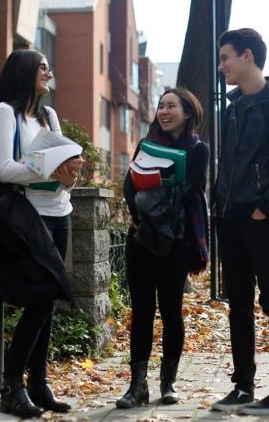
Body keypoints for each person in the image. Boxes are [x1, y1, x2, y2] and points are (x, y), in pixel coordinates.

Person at [211, 28, 269, 415]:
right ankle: (243, 387)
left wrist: (264, 208)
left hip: (262, 222)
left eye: (225, 57)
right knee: (239, 307)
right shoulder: (233, 108)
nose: (222, 66)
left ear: (247, 56)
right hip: (231, 221)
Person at [0, 50, 83, 417]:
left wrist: (71, 172)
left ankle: (39, 384)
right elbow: (5, 169)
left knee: (50, 301)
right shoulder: (5, 113)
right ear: (25, 70)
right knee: (40, 299)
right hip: (31, 218)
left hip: (61, 213)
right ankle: (12, 385)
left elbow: (63, 158)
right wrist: (47, 169)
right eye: (44, 67)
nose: (49, 73)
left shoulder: (48, 115)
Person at [117, 88, 209, 408]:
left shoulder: (199, 150)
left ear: (187, 112)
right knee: (141, 310)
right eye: (161, 106)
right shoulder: (146, 146)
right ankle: (137, 386)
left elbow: (189, 190)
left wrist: (157, 212)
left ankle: (167, 382)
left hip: (176, 240)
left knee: (171, 311)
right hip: (141, 238)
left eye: (171, 106)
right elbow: (129, 184)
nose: (164, 111)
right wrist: (138, 218)